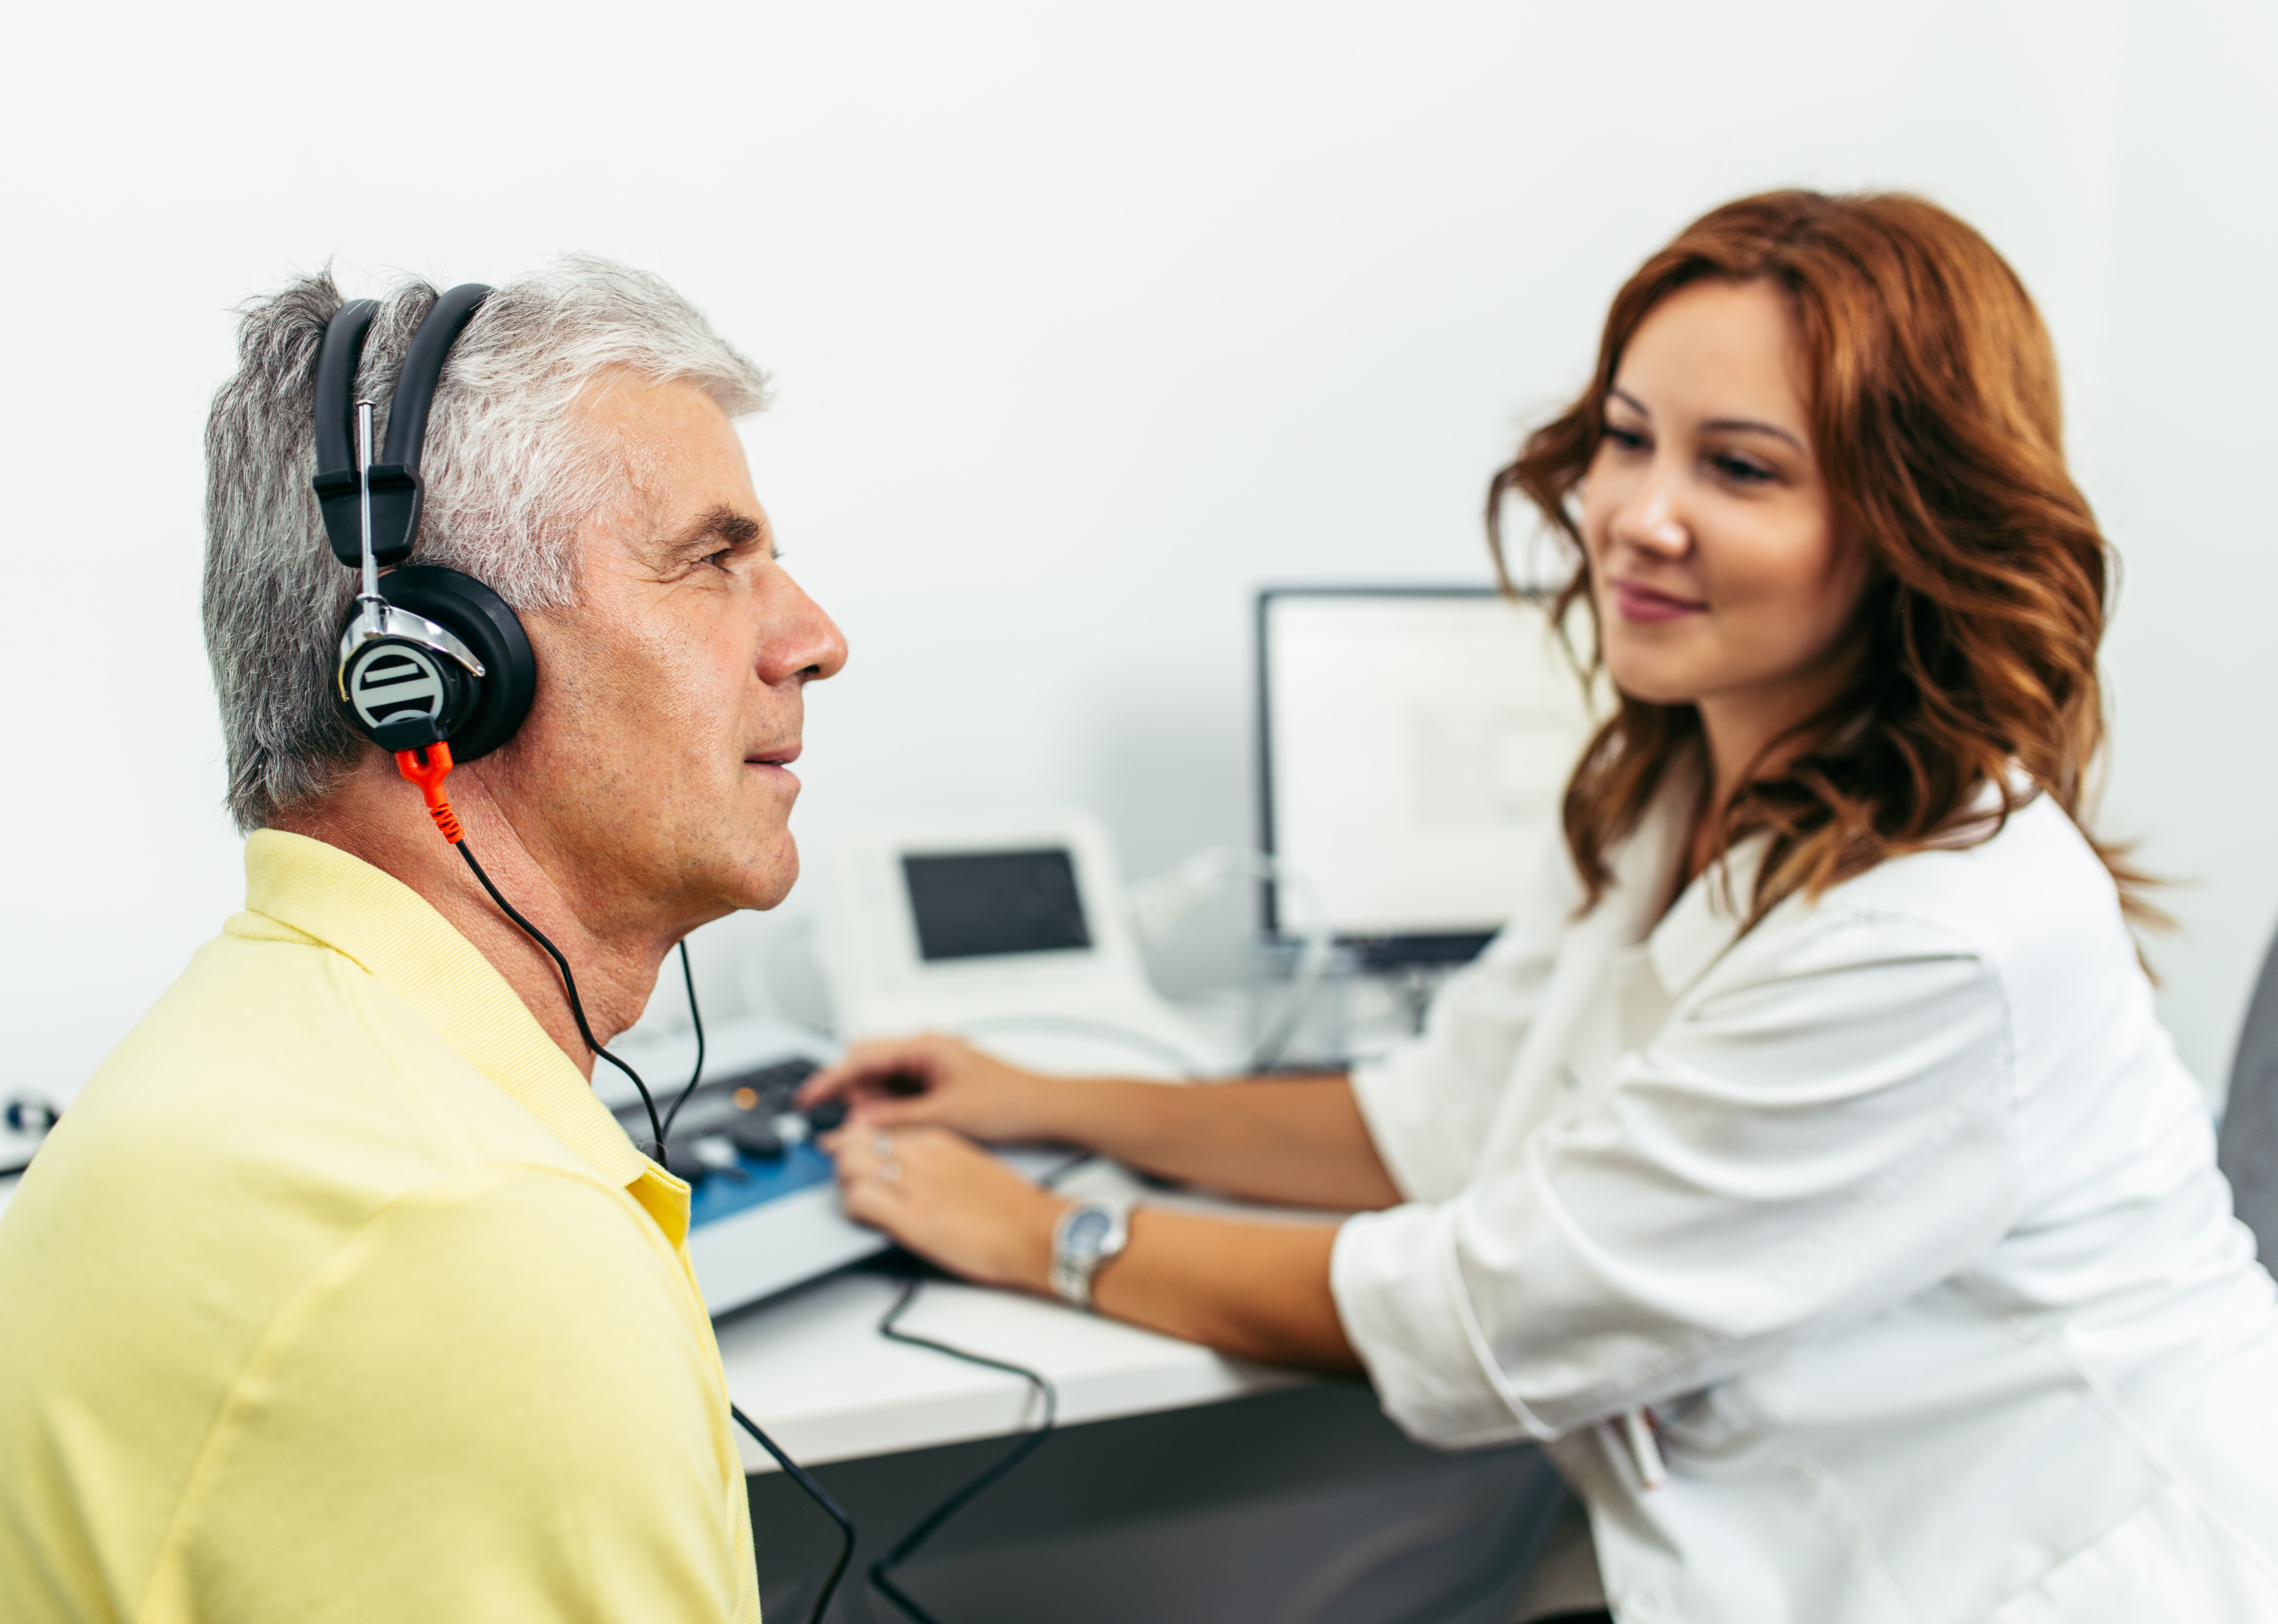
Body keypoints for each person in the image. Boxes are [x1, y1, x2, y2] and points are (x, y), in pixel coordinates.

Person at [800, 192, 2278, 1621]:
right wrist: (1049, 1095)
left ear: (1909, 520)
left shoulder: (1944, 930)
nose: (1637, 516)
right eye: (1627, 440)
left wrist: (1042, 1234)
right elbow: (1443, 1114)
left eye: (1741, 469)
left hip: (2043, 1569)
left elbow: (1488, 1310)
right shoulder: (1668, 784)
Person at [0, 257, 846, 1621]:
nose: (815, 638)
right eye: (713, 559)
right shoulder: (468, 1233)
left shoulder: (280, 1045)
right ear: (438, 667)